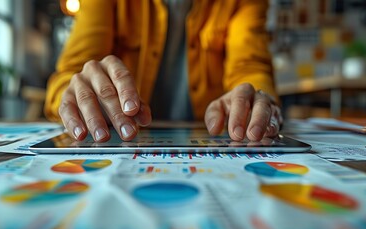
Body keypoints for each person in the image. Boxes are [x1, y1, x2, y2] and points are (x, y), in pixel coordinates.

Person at [44, 0, 282, 143]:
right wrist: (77, 95)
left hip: (211, 144)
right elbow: (72, 74)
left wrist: (256, 98)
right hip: (118, 141)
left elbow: (250, 67)